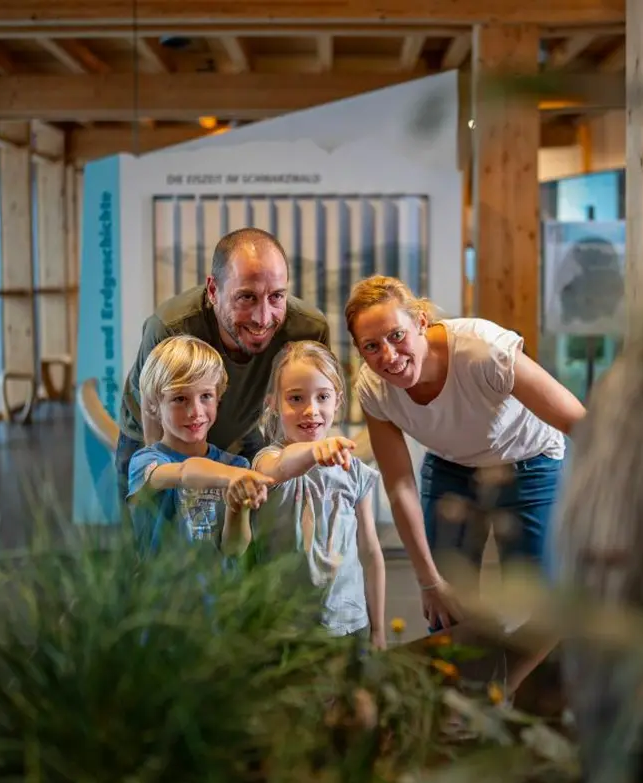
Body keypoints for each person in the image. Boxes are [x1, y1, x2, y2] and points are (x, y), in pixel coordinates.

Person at [345, 276, 587, 636]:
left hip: (531, 463)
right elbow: (400, 486)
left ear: (421, 322)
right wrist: (430, 582)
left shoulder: (483, 350)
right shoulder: (374, 388)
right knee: (448, 609)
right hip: (451, 467)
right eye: (371, 346)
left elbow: (577, 422)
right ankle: (461, 691)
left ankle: (512, 689)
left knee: (540, 611)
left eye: (397, 335)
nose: (389, 356)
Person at [116, 227, 331, 509]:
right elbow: (154, 429)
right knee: (159, 536)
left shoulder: (308, 328)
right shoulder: (170, 326)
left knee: (254, 531)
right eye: (246, 297)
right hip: (158, 432)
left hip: (242, 424)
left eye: (277, 296)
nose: (263, 318)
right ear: (214, 291)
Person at [248, 341, 386, 649]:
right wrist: (314, 450)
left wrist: (378, 629)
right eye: (296, 398)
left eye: (322, 397)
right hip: (284, 628)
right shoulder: (265, 462)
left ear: (337, 401)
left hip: (349, 624)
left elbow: (370, 552)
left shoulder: (354, 471)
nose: (310, 410)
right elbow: (283, 466)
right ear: (274, 403)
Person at [126, 334, 274, 556]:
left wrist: (237, 506)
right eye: (180, 399)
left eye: (205, 396)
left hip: (221, 591)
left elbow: (234, 550)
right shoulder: (145, 463)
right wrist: (232, 476)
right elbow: (186, 471)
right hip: (161, 591)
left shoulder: (237, 465)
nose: (195, 411)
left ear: (218, 397)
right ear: (155, 405)